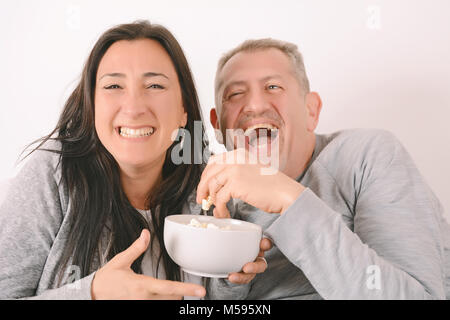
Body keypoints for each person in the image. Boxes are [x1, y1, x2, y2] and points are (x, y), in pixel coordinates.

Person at [0, 21, 267, 300]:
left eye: (154, 85)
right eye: (114, 85)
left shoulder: (209, 187)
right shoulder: (51, 176)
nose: (134, 107)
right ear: (91, 106)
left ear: (183, 110)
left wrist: (232, 278)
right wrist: (90, 293)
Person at [199, 38, 450, 299]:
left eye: (273, 87)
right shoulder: (213, 201)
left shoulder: (367, 155)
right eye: (236, 94)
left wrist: (288, 199)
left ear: (311, 110)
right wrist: (229, 280)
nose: (255, 105)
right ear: (217, 125)